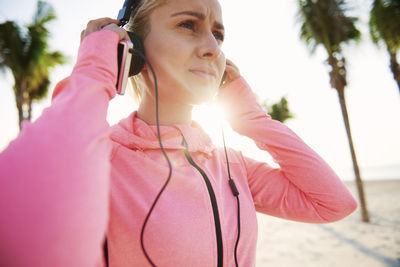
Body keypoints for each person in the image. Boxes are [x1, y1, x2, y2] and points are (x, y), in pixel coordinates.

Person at [0, 0, 357, 266]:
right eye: (188, 24)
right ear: (133, 49)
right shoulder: (104, 159)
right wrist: (95, 68)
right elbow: (19, 231)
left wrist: (252, 118)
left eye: (218, 34)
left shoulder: (232, 165)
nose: (213, 48)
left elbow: (333, 203)